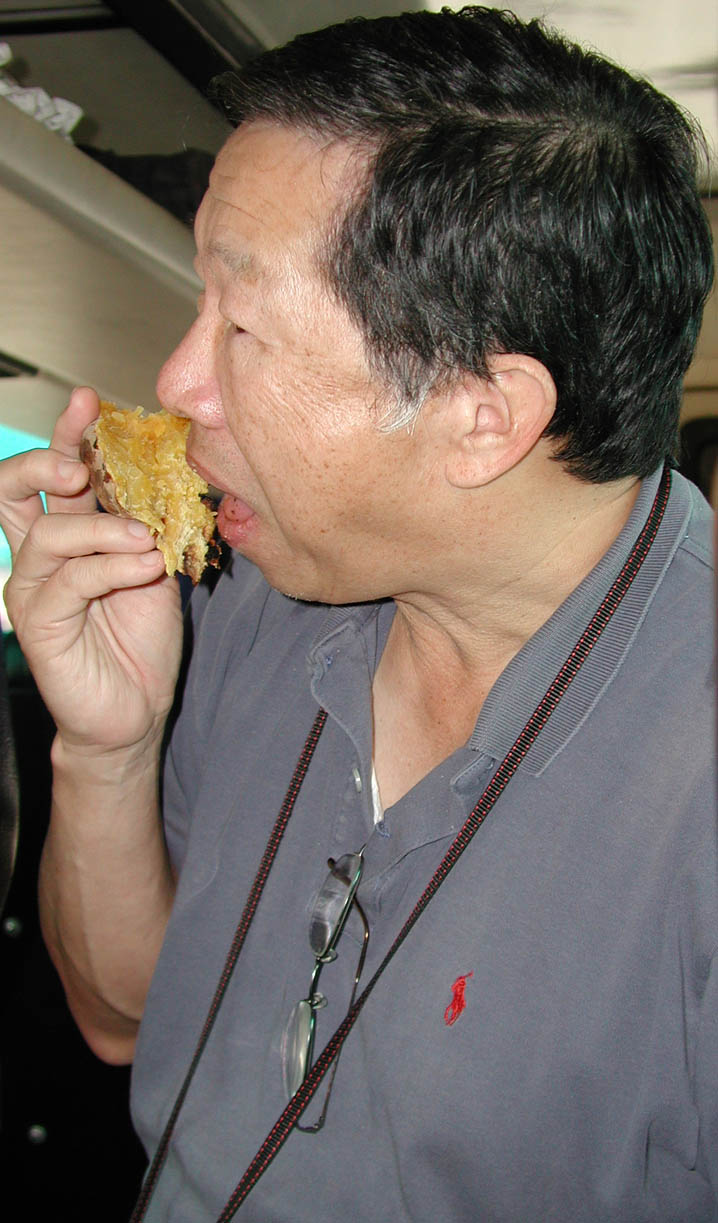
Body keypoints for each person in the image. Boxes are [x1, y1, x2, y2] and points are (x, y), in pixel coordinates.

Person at [0, 6, 715, 1219]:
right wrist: (109, 745)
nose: (175, 383)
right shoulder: (246, 591)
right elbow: (123, 1018)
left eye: (243, 325)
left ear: (483, 417)